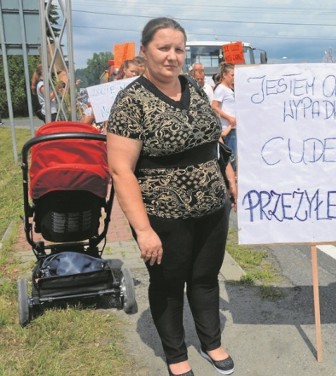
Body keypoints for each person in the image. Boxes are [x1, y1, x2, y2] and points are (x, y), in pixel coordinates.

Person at [107, 17, 236, 376]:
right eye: (164, 48)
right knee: (168, 285)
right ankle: (176, 355)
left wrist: (229, 177)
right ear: (145, 50)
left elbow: (213, 141)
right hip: (162, 216)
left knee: (206, 278)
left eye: (178, 49)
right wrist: (144, 230)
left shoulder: (193, 88)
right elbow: (120, 170)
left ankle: (211, 342)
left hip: (213, 208)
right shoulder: (130, 101)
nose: (172, 56)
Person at [211, 62, 237, 171]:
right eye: (232, 75)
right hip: (227, 127)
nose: (234, 78)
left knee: (234, 156)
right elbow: (214, 105)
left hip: (233, 126)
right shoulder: (221, 88)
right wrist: (229, 118)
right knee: (231, 156)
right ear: (225, 75)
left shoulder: (230, 89)